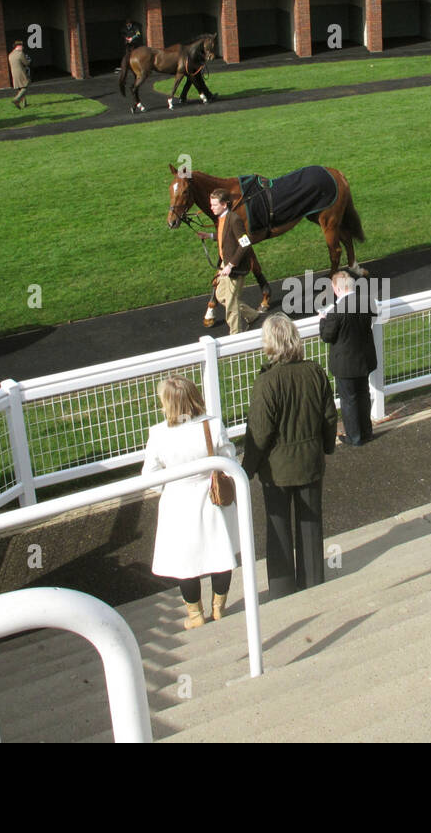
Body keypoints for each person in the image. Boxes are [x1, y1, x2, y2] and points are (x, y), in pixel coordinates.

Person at [242, 314, 338, 598]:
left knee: (278, 528)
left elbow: (259, 433)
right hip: (310, 461)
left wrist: (246, 469)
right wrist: (327, 448)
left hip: (276, 470)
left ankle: (282, 589)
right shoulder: (315, 372)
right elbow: (329, 417)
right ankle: (312, 583)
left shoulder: (267, 382)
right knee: (310, 525)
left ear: (270, 343)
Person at [141, 376, 239, 629]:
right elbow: (230, 460)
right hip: (212, 499)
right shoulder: (213, 426)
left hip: (177, 503)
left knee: (187, 562)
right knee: (220, 553)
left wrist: (170, 486)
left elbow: (149, 476)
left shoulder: (159, 434)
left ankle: (195, 616)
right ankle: (219, 608)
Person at [318, 270, 377, 446]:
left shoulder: (336, 312)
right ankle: (366, 432)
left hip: (346, 364)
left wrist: (322, 319)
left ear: (336, 288)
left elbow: (327, 336)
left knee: (349, 400)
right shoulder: (367, 302)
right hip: (364, 359)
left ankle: (354, 437)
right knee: (363, 395)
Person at [209, 187, 260, 335]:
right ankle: (252, 315)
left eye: (214, 205)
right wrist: (209, 236)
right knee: (220, 296)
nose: (211, 208)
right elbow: (225, 236)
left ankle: (235, 336)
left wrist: (231, 265)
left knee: (231, 304)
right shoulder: (222, 218)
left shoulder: (234, 219)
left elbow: (245, 242)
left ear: (224, 204)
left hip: (234, 268)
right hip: (225, 265)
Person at [8, 40, 31, 109]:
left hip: (14, 74)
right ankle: (17, 99)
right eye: (22, 46)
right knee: (25, 86)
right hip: (21, 73)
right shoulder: (20, 54)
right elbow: (26, 63)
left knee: (20, 88)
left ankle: (24, 104)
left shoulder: (10, 54)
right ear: (18, 46)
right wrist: (29, 60)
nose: (23, 47)